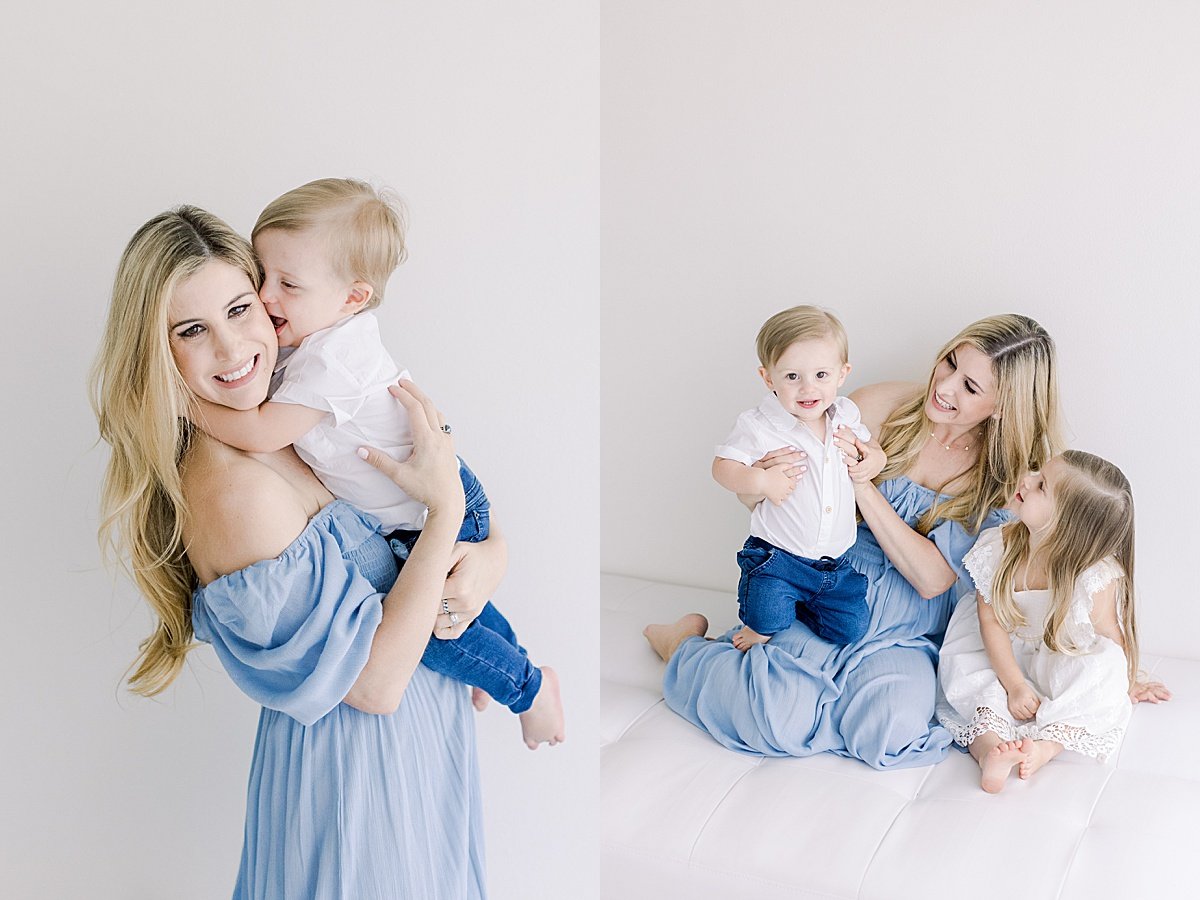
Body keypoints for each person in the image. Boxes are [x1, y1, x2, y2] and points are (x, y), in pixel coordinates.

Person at [91, 206, 502, 897]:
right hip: (359, 779)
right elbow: (372, 685)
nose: (231, 349)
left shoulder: (293, 416)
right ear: (158, 353)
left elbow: (423, 531)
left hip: (419, 743)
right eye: (192, 330)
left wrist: (488, 557)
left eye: (239, 308)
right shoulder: (232, 490)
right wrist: (448, 518)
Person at [190, 178, 563, 750]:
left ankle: (528, 689)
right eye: (260, 277)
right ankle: (506, 664)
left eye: (286, 284)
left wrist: (183, 404)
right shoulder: (312, 341)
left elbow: (261, 430)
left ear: (352, 298)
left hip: (432, 507)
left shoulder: (330, 361)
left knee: (440, 633)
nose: (267, 298)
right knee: (461, 609)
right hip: (425, 506)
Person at [646, 314, 1063, 768]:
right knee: (772, 712)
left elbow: (932, 579)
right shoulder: (878, 406)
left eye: (970, 388)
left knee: (892, 730)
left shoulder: (1007, 477)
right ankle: (682, 648)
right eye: (949, 363)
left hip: (908, 628)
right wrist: (762, 480)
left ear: (1002, 407)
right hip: (829, 588)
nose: (944, 387)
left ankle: (832, 702)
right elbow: (773, 507)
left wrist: (865, 486)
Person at [936, 451, 1140, 792]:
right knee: (978, 685)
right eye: (1036, 472)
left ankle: (1047, 747)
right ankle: (990, 753)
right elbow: (990, 624)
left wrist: (1126, 681)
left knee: (1101, 666)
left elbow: (1109, 636)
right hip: (998, 651)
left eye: (1041, 484)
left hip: (1057, 655)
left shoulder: (1094, 576)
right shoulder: (997, 547)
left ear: (1064, 524)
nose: (1027, 479)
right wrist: (1014, 684)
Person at [712, 305, 873, 650]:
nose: (807, 388)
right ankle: (765, 623)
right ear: (768, 378)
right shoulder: (758, 425)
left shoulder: (845, 414)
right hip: (778, 557)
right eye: (791, 377)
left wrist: (873, 460)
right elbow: (723, 467)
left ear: (842, 373)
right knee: (767, 616)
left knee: (852, 628)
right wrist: (761, 482)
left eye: (820, 375)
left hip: (835, 564)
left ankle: (804, 606)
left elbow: (869, 449)